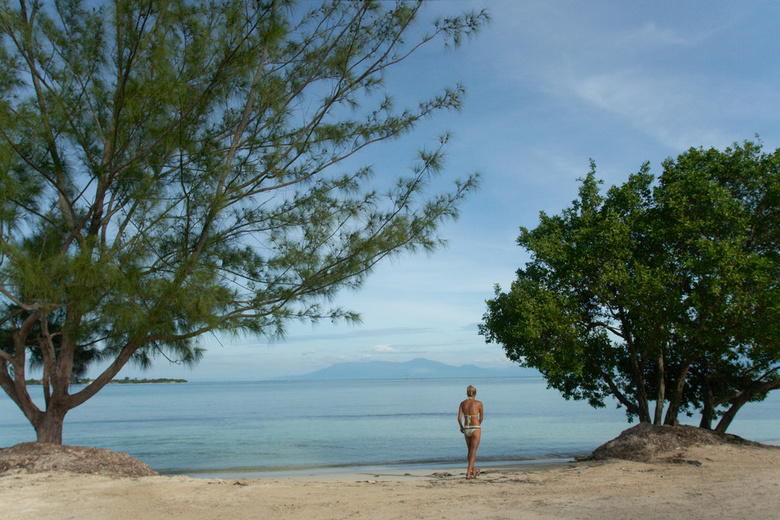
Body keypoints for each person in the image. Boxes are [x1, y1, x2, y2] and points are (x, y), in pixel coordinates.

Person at [457, 384, 483, 479]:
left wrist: (461, 427)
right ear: (475, 394)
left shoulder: (462, 403)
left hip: (466, 427)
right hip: (475, 427)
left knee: (470, 451)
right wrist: (477, 425)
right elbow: (482, 418)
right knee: (473, 451)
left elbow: (459, 418)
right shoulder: (478, 403)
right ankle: (468, 473)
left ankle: (474, 470)